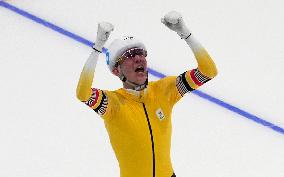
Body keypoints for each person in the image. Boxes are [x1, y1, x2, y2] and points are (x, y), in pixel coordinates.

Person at [76, 11, 218, 177]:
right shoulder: (113, 104)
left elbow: (208, 71)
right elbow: (83, 93)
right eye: (129, 55)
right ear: (116, 70)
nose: (138, 58)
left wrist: (185, 32)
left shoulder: (165, 90)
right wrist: (97, 47)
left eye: (140, 53)